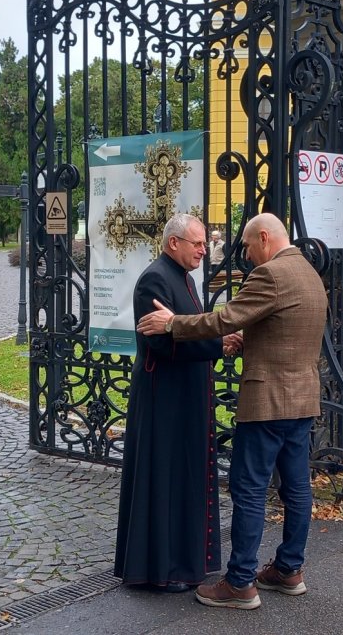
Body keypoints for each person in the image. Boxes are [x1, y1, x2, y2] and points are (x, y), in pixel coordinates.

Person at [137, 212, 328, 611]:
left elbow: (226, 318)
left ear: (264, 237)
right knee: (296, 488)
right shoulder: (309, 272)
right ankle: (289, 569)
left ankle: (240, 582)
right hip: (303, 400)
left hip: (268, 403)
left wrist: (173, 323)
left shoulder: (271, 274)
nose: (246, 253)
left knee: (249, 489)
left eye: (248, 245)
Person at [114, 213, 239, 593]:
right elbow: (161, 342)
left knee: (187, 476)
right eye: (198, 243)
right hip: (163, 401)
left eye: (204, 243)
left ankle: (187, 562)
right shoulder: (155, 279)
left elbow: (187, 328)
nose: (205, 249)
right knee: (166, 479)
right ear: (174, 243)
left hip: (186, 395)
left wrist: (217, 340)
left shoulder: (183, 277)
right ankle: (164, 569)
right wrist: (220, 344)